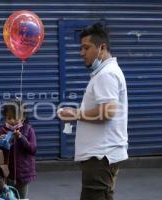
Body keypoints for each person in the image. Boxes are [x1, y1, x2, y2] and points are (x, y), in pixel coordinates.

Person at [57, 23, 128, 200]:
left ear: (102, 47)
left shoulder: (107, 74)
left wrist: (74, 114)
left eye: (86, 47)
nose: (82, 53)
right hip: (100, 156)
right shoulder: (104, 73)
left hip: (101, 156)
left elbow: (107, 112)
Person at [0, 99, 37, 199]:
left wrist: (21, 138)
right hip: (7, 174)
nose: (12, 121)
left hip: (23, 175)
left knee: (21, 198)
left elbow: (33, 149)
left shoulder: (28, 130)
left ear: (23, 117)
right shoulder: (2, 130)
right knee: (8, 197)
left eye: (15, 118)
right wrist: (0, 142)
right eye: (9, 118)